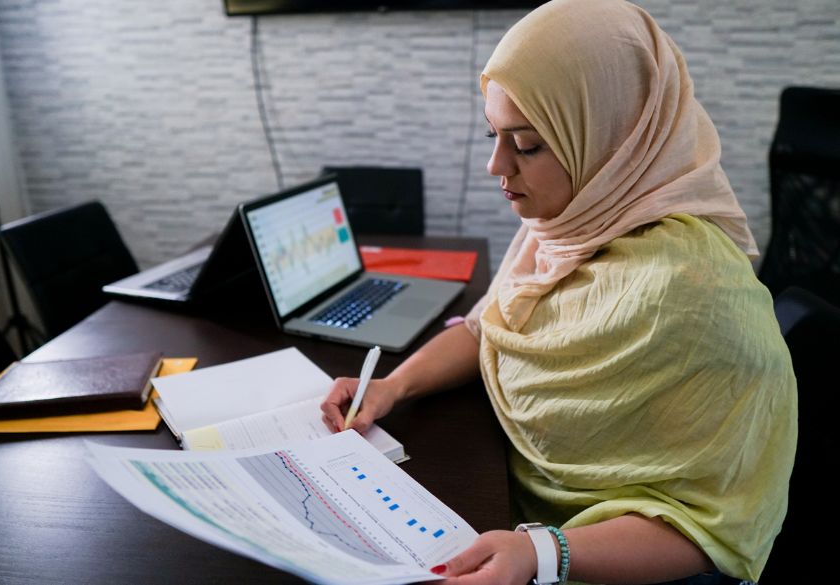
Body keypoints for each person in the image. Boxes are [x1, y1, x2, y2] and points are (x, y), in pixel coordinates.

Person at [321, 0, 797, 583]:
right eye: (494, 135)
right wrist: (392, 387)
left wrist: (543, 553)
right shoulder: (569, 223)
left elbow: (713, 527)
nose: (498, 166)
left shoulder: (695, 291)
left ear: (613, 139)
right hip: (521, 520)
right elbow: (489, 324)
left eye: (527, 146)